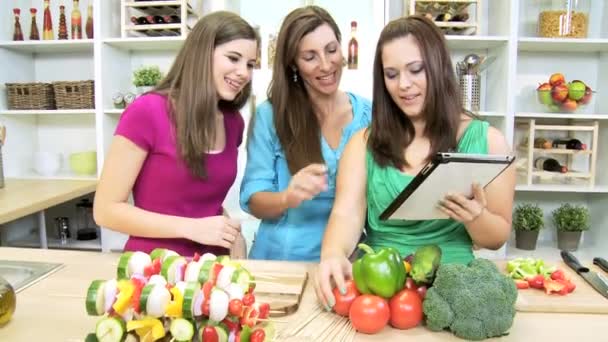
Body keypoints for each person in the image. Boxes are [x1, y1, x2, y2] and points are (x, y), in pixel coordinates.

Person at [314, 15, 516, 308]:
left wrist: (475, 217)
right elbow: (346, 215)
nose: (403, 85)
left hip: (455, 289)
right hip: (381, 287)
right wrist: (332, 254)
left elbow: (497, 237)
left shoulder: (489, 141)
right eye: (391, 74)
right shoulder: (362, 143)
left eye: (415, 70)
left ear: (438, 67)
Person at [93, 11, 259, 258]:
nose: (244, 72)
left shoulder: (233, 122)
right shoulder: (147, 112)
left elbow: (202, 200)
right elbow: (105, 210)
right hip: (154, 271)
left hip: (213, 267)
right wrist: (191, 228)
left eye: (249, 64)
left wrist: (234, 238)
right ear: (202, 54)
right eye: (233, 58)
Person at [239, 6, 372, 261]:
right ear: (293, 64)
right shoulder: (271, 115)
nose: (326, 64)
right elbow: (254, 200)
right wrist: (287, 197)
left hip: (349, 264)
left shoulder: (369, 115)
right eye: (310, 57)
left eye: (331, 50)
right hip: (282, 261)